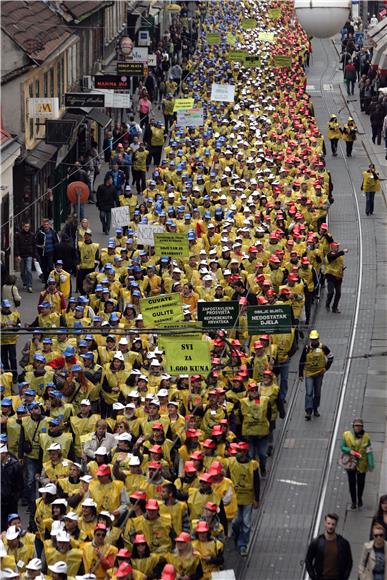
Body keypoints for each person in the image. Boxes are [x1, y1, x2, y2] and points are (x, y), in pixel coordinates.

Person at [305, 513, 353, 580]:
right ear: (325, 523)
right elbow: (308, 560)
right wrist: (313, 576)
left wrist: (345, 577)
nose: (330, 526)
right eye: (328, 523)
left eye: (333, 524)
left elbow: (349, 562)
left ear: (336, 525)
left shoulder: (343, 543)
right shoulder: (316, 542)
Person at [299, 330, 333, 420]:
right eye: (312, 339)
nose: (313, 341)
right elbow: (302, 361)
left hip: (319, 374)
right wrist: (300, 374)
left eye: (315, 339)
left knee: (317, 393)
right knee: (309, 392)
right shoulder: (306, 348)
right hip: (309, 374)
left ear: (318, 339)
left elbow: (331, 357)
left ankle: (315, 408)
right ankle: (308, 411)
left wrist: (326, 368)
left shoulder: (323, 348)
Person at [341, 418, 374, 510]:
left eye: (359, 426)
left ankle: (359, 498)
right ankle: (353, 501)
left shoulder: (366, 437)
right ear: (353, 426)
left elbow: (369, 451)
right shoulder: (347, 435)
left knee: (361, 483)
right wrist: (350, 451)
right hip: (350, 463)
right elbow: (342, 447)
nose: (358, 427)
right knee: (351, 483)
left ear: (362, 427)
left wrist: (371, 463)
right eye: (356, 425)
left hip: (362, 463)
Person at [1, 444, 24, 530]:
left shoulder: (15, 465)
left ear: (4, 454)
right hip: (1, 500)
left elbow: (20, 484)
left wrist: (15, 497)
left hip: (11, 501)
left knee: (12, 523)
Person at [325, 242, 348, 313]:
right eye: (336, 247)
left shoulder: (340, 256)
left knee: (338, 293)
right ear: (332, 248)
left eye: (338, 247)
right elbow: (333, 257)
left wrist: (342, 268)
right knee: (331, 292)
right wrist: (342, 252)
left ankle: (334, 307)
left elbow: (340, 264)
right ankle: (327, 303)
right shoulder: (329, 255)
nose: (338, 248)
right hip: (331, 276)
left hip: (338, 277)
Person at [35, 218, 60, 284]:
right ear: (43, 225)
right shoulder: (40, 233)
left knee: (50, 267)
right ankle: (46, 281)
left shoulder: (53, 232)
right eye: (44, 224)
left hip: (51, 253)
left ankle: (51, 281)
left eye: (47, 224)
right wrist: (40, 246)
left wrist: (56, 251)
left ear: (49, 225)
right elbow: (35, 243)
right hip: (43, 253)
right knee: (44, 268)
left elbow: (56, 242)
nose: (46, 226)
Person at [14, 222, 36, 293]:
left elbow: (34, 245)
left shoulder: (32, 235)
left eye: (28, 227)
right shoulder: (18, 235)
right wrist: (17, 255)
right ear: (23, 227)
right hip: (21, 255)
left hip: (29, 254)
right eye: (25, 227)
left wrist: (34, 256)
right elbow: (16, 245)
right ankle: (25, 282)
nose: (27, 228)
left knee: (29, 270)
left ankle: (29, 285)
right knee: (22, 271)